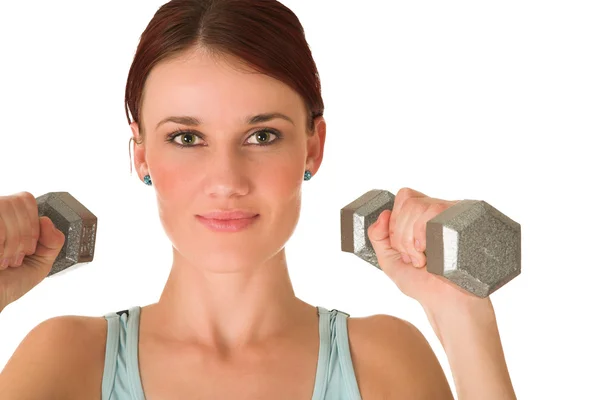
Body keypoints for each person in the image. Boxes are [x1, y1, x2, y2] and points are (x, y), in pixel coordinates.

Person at [0, 0, 517, 398]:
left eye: (262, 136)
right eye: (186, 137)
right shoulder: (66, 359)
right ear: (140, 154)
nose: (226, 180)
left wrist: (460, 314)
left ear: (312, 146)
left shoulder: (383, 360)